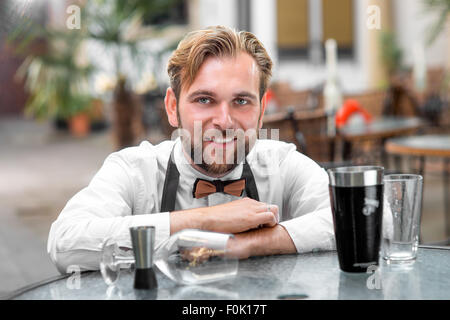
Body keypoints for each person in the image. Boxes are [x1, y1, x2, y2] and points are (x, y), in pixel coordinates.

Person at [47, 26, 335, 274]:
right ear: (173, 107)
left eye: (242, 101)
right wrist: (204, 221)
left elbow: (366, 218)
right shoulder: (134, 169)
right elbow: (65, 243)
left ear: (261, 115)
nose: (224, 121)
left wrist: (244, 244)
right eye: (205, 100)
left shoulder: (281, 163)